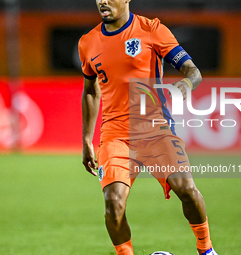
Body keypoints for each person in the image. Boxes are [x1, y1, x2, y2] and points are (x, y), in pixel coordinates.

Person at [79, 0, 219, 254]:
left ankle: (206, 249)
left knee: (186, 189)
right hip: (115, 135)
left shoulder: (152, 29)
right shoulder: (87, 42)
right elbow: (90, 90)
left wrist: (187, 84)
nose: (102, 1)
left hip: (155, 129)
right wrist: (87, 139)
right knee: (113, 203)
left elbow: (193, 71)